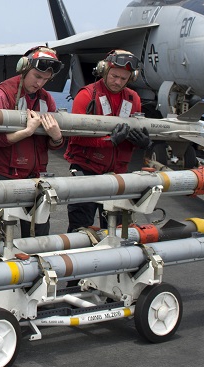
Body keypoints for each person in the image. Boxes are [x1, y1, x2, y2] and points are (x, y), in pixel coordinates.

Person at [0, 46, 65, 238]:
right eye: (36, 76)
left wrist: (56, 136)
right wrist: (27, 132)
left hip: (33, 177)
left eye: (45, 79)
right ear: (24, 68)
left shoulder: (46, 99)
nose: (39, 83)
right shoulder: (1, 96)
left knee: (38, 239)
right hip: (2, 175)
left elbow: (50, 144)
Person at [64, 49, 151, 232]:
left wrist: (142, 142)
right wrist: (108, 141)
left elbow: (132, 134)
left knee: (116, 230)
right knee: (80, 229)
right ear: (104, 70)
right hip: (86, 172)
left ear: (131, 78)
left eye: (123, 78)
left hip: (117, 175)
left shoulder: (132, 98)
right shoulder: (87, 95)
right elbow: (75, 135)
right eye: (114, 76)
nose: (118, 82)